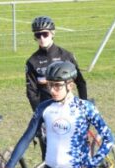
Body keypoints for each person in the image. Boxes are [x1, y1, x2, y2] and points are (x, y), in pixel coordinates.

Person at [26, 16, 88, 160]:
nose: (42, 38)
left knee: (73, 150)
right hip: (48, 110)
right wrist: (40, 114)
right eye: (37, 35)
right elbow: (31, 93)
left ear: (53, 33)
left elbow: (81, 82)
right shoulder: (32, 61)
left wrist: (83, 106)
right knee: (49, 153)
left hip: (69, 108)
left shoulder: (66, 55)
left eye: (45, 34)